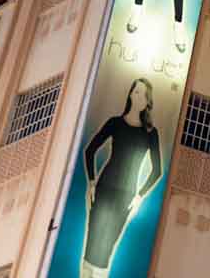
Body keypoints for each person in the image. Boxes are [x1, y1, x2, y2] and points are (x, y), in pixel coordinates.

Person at [80, 77, 161, 276]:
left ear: (147, 101)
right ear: (130, 94)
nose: (138, 96)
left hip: (127, 195)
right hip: (105, 187)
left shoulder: (150, 133)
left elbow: (157, 170)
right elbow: (90, 150)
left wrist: (139, 196)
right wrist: (91, 182)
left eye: (143, 93)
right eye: (136, 91)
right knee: (93, 240)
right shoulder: (115, 123)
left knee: (108, 244)